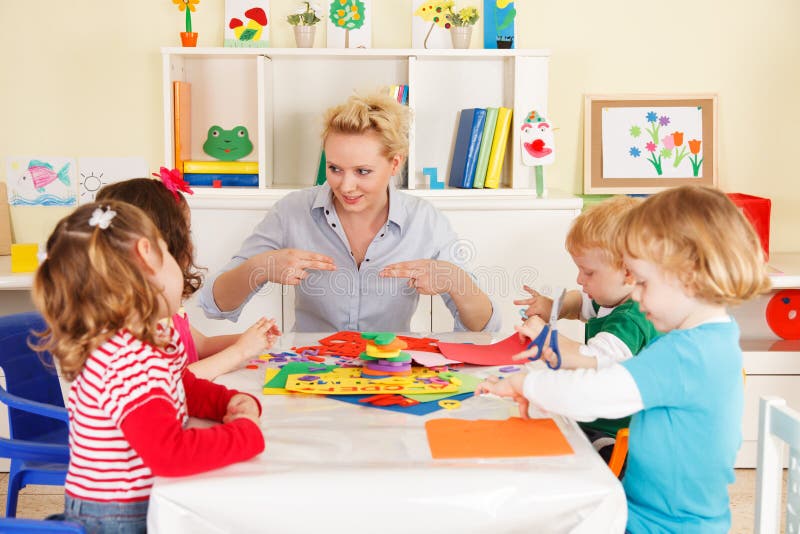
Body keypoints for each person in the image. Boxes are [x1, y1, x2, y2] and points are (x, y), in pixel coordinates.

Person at [477, 185, 771, 533]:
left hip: (664, 525)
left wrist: (524, 382)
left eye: (644, 283)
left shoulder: (686, 355)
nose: (637, 295)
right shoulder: (710, 339)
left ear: (687, 277)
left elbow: (594, 393)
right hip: (649, 509)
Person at [32, 201, 266, 533]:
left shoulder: (141, 336)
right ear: (147, 254)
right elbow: (169, 455)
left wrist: (226, 402)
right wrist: (245, 434)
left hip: (119, 502)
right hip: (118, 515)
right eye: (167, 252)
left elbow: (179, 385)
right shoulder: (127, 358)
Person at [198, 93, 500, 332]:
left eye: (363, 171)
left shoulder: (425, 220)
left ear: (395, 163)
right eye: (335, 169)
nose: (346, 185)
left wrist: (454, 278)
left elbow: (486, 326)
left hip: (389, 373)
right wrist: (259, 266)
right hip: (309, 371)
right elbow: (214, 303)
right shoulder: (292, 211)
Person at [513, 196, 659, 463]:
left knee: (559, 444)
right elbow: (580, 303)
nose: (580, 280)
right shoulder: (612, 299)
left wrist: (547, 339)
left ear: (629, 273)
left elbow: (594, 359)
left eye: (589, 273)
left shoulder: (633, 318)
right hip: (597, 416)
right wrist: (551, 306)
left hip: (619, 432)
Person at [96, 175, 280, 380]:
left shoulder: (165, 307)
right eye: (186, 232)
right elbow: (174, 381)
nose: (190, 244)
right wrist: (240, 351)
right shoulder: (132, 322)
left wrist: (249, 340)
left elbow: (200, 345)